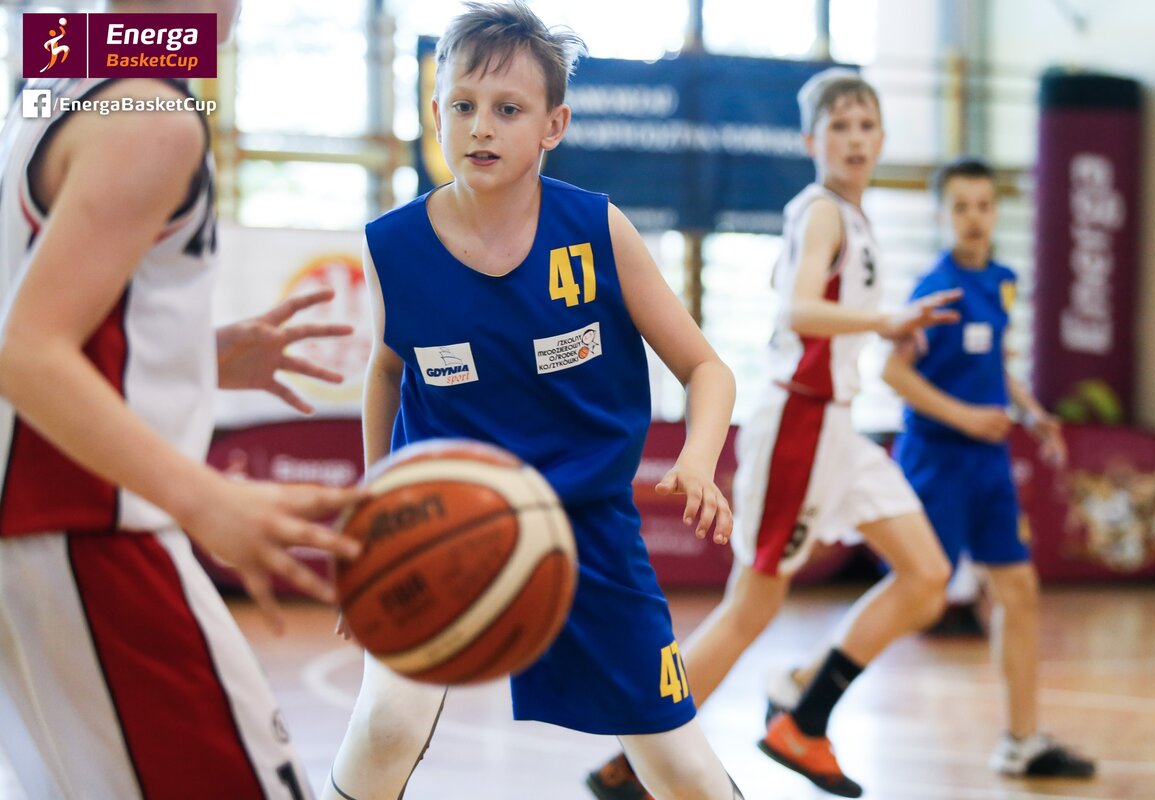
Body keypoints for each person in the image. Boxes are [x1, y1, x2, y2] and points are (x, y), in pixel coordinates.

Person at [322, 3, 742, 800]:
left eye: (508, 109)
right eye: (462, 105)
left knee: (680, 768)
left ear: (554, 125)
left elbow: (707, 369)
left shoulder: (598, 230)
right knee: (387, 725)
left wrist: (698, 460)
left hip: (585, 525)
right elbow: (386, 371)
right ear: (436, 114)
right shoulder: (393, 246)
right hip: (442, 520)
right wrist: (374, 512)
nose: (481, 126)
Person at [0, 1, 364, 798]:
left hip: (40, 538)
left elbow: (29, 312)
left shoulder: (57, 72)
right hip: (90, 534)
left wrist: (192, 358)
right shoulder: (150, 110)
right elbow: (25, 351)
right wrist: (209, 500)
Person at [588, 68, 961, 800]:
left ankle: (801, 705)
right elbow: (797, 311)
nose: (854, 139)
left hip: (840, 427)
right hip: (801, 423)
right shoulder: (820, 212)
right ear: (811, 141)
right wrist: (885, 321)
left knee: (927, 578)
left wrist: (886, 333)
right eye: (839, 127)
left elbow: (812, 309)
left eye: (865, 126)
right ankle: (633, 758)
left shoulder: (851, 218)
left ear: (883, 138)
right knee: (753, 605)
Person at [880, 156, 1095, 778]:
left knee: (1018, 590)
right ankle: (811, 689)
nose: (974, 218)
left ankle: (1022, 740)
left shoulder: (1001, 282)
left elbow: (995, 361)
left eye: (983, 205)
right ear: (940, 215)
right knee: (918, 595)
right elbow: (893, 373)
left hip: (990, 466)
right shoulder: (934, 291)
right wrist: (966, 417)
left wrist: (1031, 411)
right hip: (938, 461)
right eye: (961, 207)